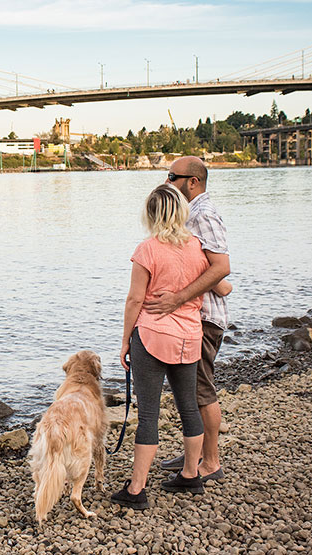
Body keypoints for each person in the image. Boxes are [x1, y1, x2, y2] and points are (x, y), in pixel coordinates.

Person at [110, 184, 228, 509]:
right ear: (181, 212)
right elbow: (222, 284)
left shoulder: (147, 249)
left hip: (152, 336)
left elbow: (135, 299)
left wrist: (124, 342)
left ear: (151, 214)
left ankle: (136, 489)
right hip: (190, 336)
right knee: (188, 406)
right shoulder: (198, 249)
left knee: (148, 413)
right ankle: (191, 475)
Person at [145, 156, 230, 483]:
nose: (167, 182)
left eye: (172, 177)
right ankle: (194, 453)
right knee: (189, 390)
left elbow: (221, 267)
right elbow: (210, 270)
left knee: (201, 390)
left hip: (203, 318)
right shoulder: (191, 215)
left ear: (192, 181)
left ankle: (210, 462)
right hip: (194, 316)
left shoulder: (203, 216)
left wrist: (178, 298)